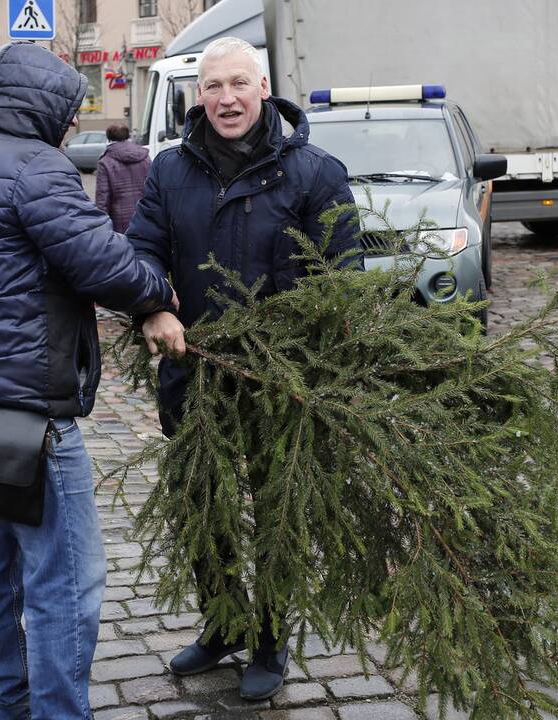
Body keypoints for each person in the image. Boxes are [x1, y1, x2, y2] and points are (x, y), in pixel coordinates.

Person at [0, 42, 175, 720]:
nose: (71, 128)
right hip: (31, 410)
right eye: (68, 113)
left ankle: (7, 707)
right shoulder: (36, 167)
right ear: (47, 108)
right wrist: (158, 295)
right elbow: (104, 263)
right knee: (65, 578)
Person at [126, 36, 358, 700]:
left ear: (264, 88)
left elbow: (343, 282)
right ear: (197, 96)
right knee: (206, 506)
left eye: (237, 84)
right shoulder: (170, 170)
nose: (225, 99)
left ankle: (269, 639)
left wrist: (302, 361)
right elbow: (141, 249)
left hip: (279, 384)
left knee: (276, 511)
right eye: (212, 87)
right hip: (193, 377)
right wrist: (150, 307)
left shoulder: (314, 172)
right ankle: (223, 623)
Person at [94, 123, 151, 233]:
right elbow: (154, 189)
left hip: (118, 224)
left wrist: (102, 228)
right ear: (127, 136)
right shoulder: (145, 157)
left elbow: (102, 199)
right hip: (144, 218)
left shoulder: (105, 162)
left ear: (109, 138)